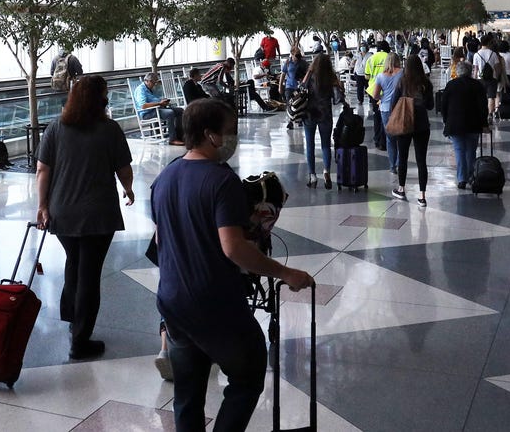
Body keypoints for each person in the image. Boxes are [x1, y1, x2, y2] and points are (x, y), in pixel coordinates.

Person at [150, 99, 314, 432]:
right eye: (230, 132)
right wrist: (286, 273)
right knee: (249, 372)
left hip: (173, 302)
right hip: (215, 304)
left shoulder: (164, 178)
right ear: (209, 135)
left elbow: (158, 242)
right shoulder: (221, 180)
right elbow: (233, 248)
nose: (233, 139)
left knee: (187, 393)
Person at [36, 75, 135, 360]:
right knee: (89, 273)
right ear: (99, 99)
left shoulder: (56, 128)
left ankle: (71, 315)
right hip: (98, 213)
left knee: (75, 261)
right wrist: (128, 189)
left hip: (63, 211)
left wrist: (42, 205)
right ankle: (81, 339)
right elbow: (123, 168)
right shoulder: (110, 130)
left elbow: (43, 170)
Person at [440, 57, 489, 190]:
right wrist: (484, 123)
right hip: (474, 123)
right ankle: (470, 176)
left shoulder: (451, 85)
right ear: (470, 71)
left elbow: (443, 105)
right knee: (471, 151)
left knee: (459, 150)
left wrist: (445, 120)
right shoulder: (478, 85)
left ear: (458, 71)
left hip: (455, 123)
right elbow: (483, 106)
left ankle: (462, 179)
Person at [394, 54, 434, 206]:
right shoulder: (426, 83)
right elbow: (430, 105)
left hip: (405, 122)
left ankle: (401, 188)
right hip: (422, 125)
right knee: (421, 160)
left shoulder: (402, 81)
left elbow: (394, 101)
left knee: (402, 157)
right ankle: (422, 196)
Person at [302, 53, 343, 189]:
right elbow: (338, 98)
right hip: (325, 114)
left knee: (310, 145)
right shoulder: (331, 77)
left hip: (310, 114)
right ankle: (326, 172)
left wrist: (308, 72)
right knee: (326, 145)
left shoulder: (311, 76)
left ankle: (312, 176)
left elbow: (302, 88)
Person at [370, 52, 404, 181]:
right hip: (399, 108)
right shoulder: (402, 73)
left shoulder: (380, 76)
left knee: (390, 139)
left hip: (385, 109)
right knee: (401, 136)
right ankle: (400, 163)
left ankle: (392, 166)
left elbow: (375, 95)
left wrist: (383, 98)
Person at [134, 72, 185, 145]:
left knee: (180, 110)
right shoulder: (141, 90)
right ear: (148, 81)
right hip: (147, 113)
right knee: (169, 113)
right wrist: (159, 103)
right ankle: (172, 139)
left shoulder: (150, 89)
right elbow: (143, 106)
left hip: (157, 109)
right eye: (153, 83)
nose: (154, 85)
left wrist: (162, 101)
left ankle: (179, 135)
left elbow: (155, 100)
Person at [364, 41, 391, 151]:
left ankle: (376, 139)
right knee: (386, 116)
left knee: (377, 115)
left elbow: (366, 76)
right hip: (387, 91)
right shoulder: (390, 58)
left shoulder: (371, 59)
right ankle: (384, 142)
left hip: (374, 92)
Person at [472, 33, 504, 118]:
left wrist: (474, 79)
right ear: (489, 42)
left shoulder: (476, 54)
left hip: (480, 78)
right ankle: (490, 114)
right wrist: (496, 77)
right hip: (491, 78)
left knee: (481, 97)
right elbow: (497, 67)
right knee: (491, 97)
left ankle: (481, 113)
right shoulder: (493, 54)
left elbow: (475, 69)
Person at [282, 48, 308, 130]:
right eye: (296, 54)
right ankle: (290, 121)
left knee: (300, 103)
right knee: (289, 103)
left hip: (299, 86)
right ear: (292, 54)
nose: (298, 55)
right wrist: (280, 86)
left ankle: (299, 119)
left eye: (299, 53)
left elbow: (308, 72)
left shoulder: (303, 62)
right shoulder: (288, 63)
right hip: (289, 86)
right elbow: (283, 74)